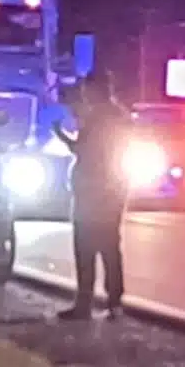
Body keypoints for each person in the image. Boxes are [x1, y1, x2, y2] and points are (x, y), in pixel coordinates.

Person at [53, 72, 130, 321]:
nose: (84, 95)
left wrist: (61, 134)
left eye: (87, 90)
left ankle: (84, 303)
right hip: (114, 189)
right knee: (110, 248)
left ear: (96, 91)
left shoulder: (97, 117)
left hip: (92, 191)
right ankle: (114, 302)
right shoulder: (120, 116)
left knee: (85, 248)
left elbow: (82, 149)